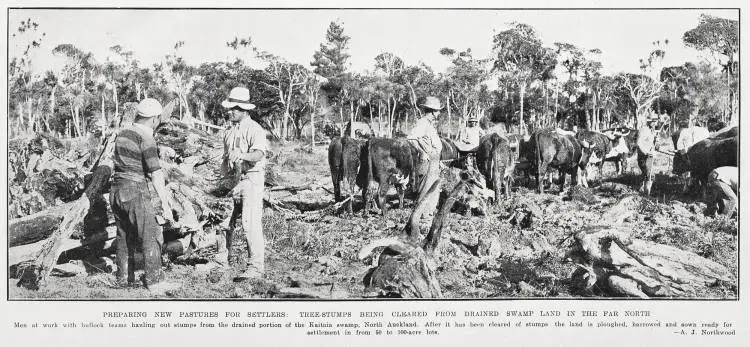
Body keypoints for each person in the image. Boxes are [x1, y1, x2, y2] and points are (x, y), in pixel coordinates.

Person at [110, 98, 176, 293]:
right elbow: (155, 174)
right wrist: (164, 203)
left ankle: (123, 278)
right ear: (154, 119)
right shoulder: (147, 139)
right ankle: (155, 282)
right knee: (151, 234)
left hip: (116, 190)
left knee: (123, 236)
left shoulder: (123, 133)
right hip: (135, 189)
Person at [217, 87, 268, 280]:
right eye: (230, 108)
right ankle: (221, 260)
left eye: (234, 109)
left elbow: (259, 153)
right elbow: (225, 158)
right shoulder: (229, 132)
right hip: (232, 180)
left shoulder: (255, 129)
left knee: (250, 223)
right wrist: (223, 181)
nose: (230, 112)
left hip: (251, 179)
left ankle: (255, 266)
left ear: (244, 109)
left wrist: (243, 156)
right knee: (223, 221)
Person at [407, 96, 443, 212]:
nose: (439, 113)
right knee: (425, 191)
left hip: (434, 161)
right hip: (427, 162)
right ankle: (420, 219)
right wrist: (422, 152)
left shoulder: (429, 124)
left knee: (432, 191)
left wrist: (438, 162)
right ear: (433, 111)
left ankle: (427, 217)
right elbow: (411, 138)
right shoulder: (422, 123)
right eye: (438, 110)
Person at [636, 114, 661, 196]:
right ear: (648, 121)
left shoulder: (652, 131)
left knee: (648, 174)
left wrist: (657, 141)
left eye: (655, 122)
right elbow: (639, 144)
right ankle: (646, 194)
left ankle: (643, 191)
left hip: (650, 156)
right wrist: (646, 152)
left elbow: (656, 147)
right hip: (643, 156)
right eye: (652, 122)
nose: (654, 123)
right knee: (649, 174)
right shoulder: (643, 130)